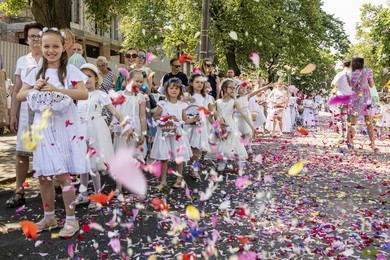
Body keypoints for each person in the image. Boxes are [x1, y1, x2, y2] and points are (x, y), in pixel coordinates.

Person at [17, 28, 90, 237]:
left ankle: (71, 219)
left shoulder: (70, 71)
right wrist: (35, 88)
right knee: (43, 175)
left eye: (55, 46)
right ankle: (49, 216)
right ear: (40, 46)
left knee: (62, 175)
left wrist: (58, 90)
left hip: (64, 127)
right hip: (43, 128)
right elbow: (21, 95)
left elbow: (83, 94)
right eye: (46, 46)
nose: (50, 50)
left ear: (63, 47)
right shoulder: (36, 71)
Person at [76, 63, 125, 209]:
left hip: (95, 130)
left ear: (96, 79)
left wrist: (124, 122)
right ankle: (83, 193)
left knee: (93, 164)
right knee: (82, 165)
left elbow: (114, 111)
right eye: (83, 77)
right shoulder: (78, 95)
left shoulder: (100, 94)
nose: (86, 79)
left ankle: (97, 194)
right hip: (80, 131)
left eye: (89, 76)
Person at [6, 22, 44, 208]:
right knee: (22, 153)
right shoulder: (22, 61)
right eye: (32, 37)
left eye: (38, 36)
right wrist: (13, 114)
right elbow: (16, 90)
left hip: (46, 113)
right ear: (27, 39)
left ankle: (52, 186)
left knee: (46, 149)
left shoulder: (50, 57)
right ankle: (19, 190)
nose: (35, 40)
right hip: (25, 111)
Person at [151, 78, 195, 189]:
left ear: (180, 90)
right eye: (171, 88)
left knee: (179, 156)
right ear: (166, 90)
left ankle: (179, 179)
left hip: (177, 134)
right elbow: (155, 117)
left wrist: (194, 119)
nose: (174, 90)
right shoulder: (162, 104)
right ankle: (163, 180)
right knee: (164, 158)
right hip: (164, 133)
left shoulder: (182, 105)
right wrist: (166, 118)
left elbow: (185, 120)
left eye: (176, 88)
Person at [112, 70, 147, 195]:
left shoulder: (141, 97)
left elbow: (142, 116)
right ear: (127, 80)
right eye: (136, 81)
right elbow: (115, 112)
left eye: (140, 82)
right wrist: (113, 127)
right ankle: (118, 186)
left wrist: (143, 132)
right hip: (121, 129)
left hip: (135, 129)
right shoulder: (118, 95)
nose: (138, 84)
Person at [209, 79, 256, 172]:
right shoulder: (217, 102)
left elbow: (243, 114)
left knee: (232, 143)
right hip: (220, 125)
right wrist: (215, 126)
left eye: (234, 88)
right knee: (221, 143)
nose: (233, 90)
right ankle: (221, 161)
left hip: (230, 125)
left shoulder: (234, 102)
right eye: (230, 88)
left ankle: (235, 161)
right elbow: (210, 117)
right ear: (224, 89)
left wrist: (252, 127)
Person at [185, 74, 214, 181]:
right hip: (188, 124)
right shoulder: (187, 95)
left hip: (200, 125)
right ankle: (188, 163)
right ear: (192, 83)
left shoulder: (205, 97)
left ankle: (195, 169)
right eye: (197, 82)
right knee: (189, 148)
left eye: (201, 82)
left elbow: (209, 111)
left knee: (197, 150)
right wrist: (186, 98)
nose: (199, 84)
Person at [346, 55, 377, 151]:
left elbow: (349, 85)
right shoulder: (368, 71)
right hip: (365, 99)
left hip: (354, 98)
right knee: (369, 122)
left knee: (352, 123)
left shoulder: (348, 73)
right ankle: (372, 144)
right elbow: (371, 85)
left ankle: (350, 143)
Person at [234, 80, 268, 152]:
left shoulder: (247, 96)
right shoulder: (235, 98)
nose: (243, 90)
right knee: (239, 132)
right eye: (241, 88)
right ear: (237, 90)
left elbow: (256, 91)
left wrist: (266, 86)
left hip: (246, 116)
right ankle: (240, 146)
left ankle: (249, 146)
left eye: (244, 89)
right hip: (237, 117)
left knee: (248, 131)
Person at [331, 59, 352, 142]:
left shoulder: (340, 73)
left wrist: (335, 89)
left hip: (342, 98)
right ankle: (348, 136)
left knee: (341, 117)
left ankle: (342, 136)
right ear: (350, 65)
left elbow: (332, 84)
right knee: (350, 118)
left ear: (343, 65)